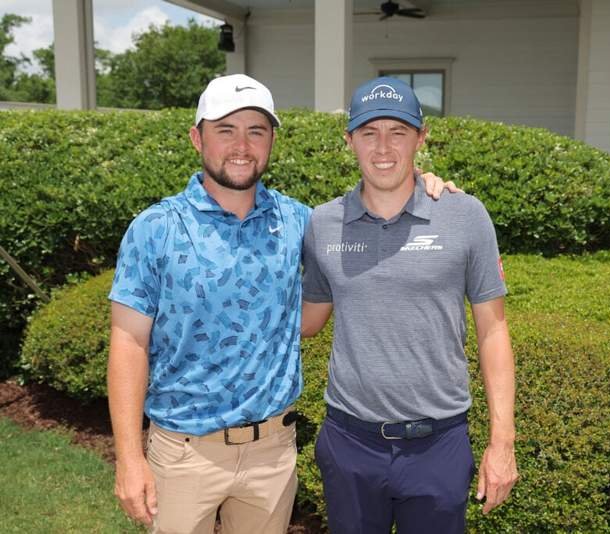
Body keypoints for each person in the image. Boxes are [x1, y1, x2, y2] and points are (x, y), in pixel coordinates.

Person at [107, 73, 454, 534]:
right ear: (197, 138)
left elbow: (362, 239)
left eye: (256, 131)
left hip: (272, 454)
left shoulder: (299, 222)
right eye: (225, 130)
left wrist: (422, 184)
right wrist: (129, 458)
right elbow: (128, 342)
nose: (242, 145)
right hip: (183, 454)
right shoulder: (156, 228)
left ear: (272, 140)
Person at [301, 77, 519, 534]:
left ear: (421, 138)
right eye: (368, 133)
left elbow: (493, 331)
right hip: (349, 443)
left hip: (437, 445)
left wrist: (503, 442)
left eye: (397, 132)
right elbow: (309, 320)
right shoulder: (323, 223)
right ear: (349, 141)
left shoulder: (464, 215)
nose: (383, 147)